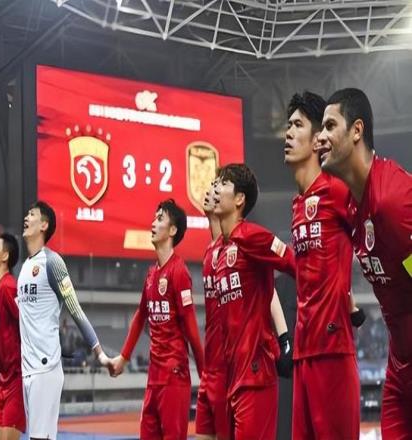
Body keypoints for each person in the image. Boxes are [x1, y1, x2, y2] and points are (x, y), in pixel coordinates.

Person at [317, 87, 412, 439]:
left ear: (357, 130)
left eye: (329, 126)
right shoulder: (353, 207)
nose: (320, 137)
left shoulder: (392, 201)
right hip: (399, 365)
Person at [285, 91, 361, 439]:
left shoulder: (338, 191)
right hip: (303, 352)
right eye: (288, 125)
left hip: (333, 350)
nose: (288, 133)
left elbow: (379, 233)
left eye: (297, 125)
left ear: (318, 140)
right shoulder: (297, 205)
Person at [195, 181, 293, 440]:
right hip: (220, 370)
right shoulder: (213, 252)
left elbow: (270, 288)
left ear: (238, 199)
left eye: (219, 186)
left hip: (242, 370)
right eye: (213, 186)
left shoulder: (247, 239)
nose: (212, 192)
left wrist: (284, 337)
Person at [111, 199, 204, 440]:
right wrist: (123, 357)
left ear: (172, 230)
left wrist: (205, 374)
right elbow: (140, 315)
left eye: (160, 219)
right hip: (153, 377)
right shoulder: (152, 273)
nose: (153, 223)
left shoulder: (179, 272)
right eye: (154, 218)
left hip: (174, 378)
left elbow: (191, 327)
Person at [18, 201, 112, 440]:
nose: (26, 218)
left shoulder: (53, 262)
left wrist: (99, 353)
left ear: (44, 225)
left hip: (45, 367)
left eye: (31, 214)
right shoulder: (25, 267)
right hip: (27, 368)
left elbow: (75, 309)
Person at [0, 233, 26, 440]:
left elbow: (26, 323)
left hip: (15, 381)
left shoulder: (9, 286)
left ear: (5, 256)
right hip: (2, 382)